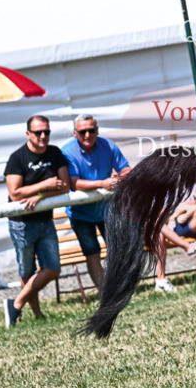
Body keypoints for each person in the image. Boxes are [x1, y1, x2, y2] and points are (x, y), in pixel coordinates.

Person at [3, 115, 71, 328]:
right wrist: (45, 184)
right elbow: (15, 194)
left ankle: (15, 304)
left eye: (46, 132)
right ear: (28, 134)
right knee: (27, 270)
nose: (43, 136)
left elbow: (65, 186)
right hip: (21, 222)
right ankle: (36, 314)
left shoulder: (55, 153)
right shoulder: (17, 158)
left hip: (45, 219)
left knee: (52, 268)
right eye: (38, 132)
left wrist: (39, 196)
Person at [61, 114, 129, 295]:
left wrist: (119, 178)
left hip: (107, 210)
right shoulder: (67, 151)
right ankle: (106, 295)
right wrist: (104, 183)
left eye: (91, 130)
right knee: (92, 253)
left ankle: (121, 290)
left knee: (118, 250)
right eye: (82, 131)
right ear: (75, 133)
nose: (87, 135)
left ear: (97, 131)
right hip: (80, 214)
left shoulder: (108, 145)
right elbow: (73, 184)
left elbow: (126, 170)